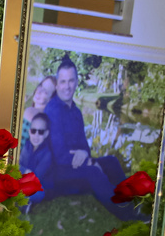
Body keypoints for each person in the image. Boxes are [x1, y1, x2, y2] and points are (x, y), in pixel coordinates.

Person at [43, 56, 143, 221]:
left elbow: (84, 146)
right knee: (94, 172)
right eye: (63, 81)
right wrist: (87, 162)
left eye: (71, 81)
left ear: (76, 82)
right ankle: (127, 214)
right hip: (59, 173)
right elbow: (59, 156)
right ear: (57, 84)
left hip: (75, 166)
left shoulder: (76, 111)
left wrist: (84, 155)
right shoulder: (53, 110)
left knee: (111, 162)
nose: (67, 86)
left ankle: (131, 201)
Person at [18, 112, 53, 210]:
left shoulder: (47, 154)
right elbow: (20, 165)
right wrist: (24, 170)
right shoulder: (27, 146)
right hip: (24, 180)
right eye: (33, 131)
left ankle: (23, 202)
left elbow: (35, 177)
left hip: (40, 186)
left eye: (40, 132)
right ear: (29, 132)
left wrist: (23, 171)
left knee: (37, 193)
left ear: (46, 134)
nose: (36, 135)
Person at [21, 76, 54, 142]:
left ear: (51, 100)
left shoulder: (31, 112)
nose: (39, 91)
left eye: (45, 91)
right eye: (41, 86)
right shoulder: (45, 120)